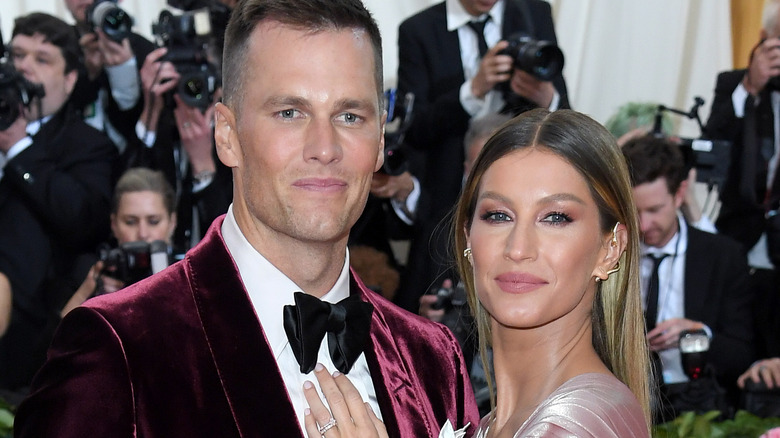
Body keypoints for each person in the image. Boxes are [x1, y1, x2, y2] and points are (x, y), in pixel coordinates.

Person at [13, 1, 479, 437]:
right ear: (227, 135)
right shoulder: (118, 347)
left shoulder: (434, 359)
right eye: (290, 112)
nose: (324, 147)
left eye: (350, 116)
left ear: (380, 140)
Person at [453, 108, 650, 436]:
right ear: (468, 236)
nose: (518, 249)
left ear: (610, 248)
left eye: (556, 217)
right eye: (498, 216)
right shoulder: (494, 424)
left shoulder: (575, 424)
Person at [392, 0, 570, 314]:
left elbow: (563, 109)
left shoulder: (533, 12)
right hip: (446, 202)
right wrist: (472, 90)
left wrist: (548, 100)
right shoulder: (418, 30)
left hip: (524, 185)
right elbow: (414, 130)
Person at [0, 12, 117, 393]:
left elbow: (82, 219)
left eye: (41, 59)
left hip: (31, 348)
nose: (24, 67)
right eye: (17, 55)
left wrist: (18, 146)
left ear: (69, 81)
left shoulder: (87, 145)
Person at [622, 134, 755, 417]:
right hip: (622, 399)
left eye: (655, 210)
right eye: (634, 212)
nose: (644, 225)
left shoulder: (722, 256)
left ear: (680, 194)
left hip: (699, 405)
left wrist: (696, 336)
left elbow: (741, 354)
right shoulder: (613, 251)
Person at [704, 0, 780, 361]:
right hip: (738, 240)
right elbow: (713, 148)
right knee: (734, 349)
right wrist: (750, 86)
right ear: (766, 38)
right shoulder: (733, 84)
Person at [60, 167, 178, 317]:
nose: (142, 233)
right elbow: (55, 338)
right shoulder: (90, 273)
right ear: (114, 225)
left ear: (172, 222)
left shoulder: (192, 272)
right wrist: (89, 293)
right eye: (130, 222)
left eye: (153, 221)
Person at [64, 0, 155, 152]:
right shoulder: (56, 48)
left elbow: (148, 128)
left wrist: (124, 72)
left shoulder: (143, 49)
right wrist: (87, 75)